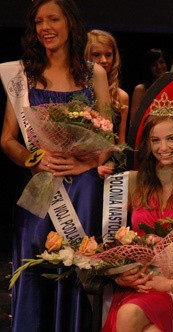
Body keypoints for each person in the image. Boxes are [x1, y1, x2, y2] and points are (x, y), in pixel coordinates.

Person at [0, 0, 110, 331]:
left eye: (53, 19)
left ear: (69, 23)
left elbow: (108, 139)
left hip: (84, 190)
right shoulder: (22, 74)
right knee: (35, 271)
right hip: (41, 188)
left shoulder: (95, 74)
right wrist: (35, 160)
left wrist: (84, 162)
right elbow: (7, 139)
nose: (45, 27)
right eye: (38, 21)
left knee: (76, 274)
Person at [102, 109, 173, 331]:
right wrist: (119, 276)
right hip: (137, 283)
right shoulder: (133, 182)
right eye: (155, 140)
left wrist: (171, 283)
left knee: (129, 315)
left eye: (171, 138)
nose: (163, 148)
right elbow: (109, 241)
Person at [85, 29, 129, 145]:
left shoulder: (121, 97)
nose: (104, 60)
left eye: (108, 55)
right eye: (96, 55)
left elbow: (121, 142)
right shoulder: (74, 91)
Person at [129, 48, 167, 124]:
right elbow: (133, 122)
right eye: (154, 65)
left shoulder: (172, 87)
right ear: (148, 68)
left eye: (161, 62)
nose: (159, 67)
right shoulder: (141, 89)